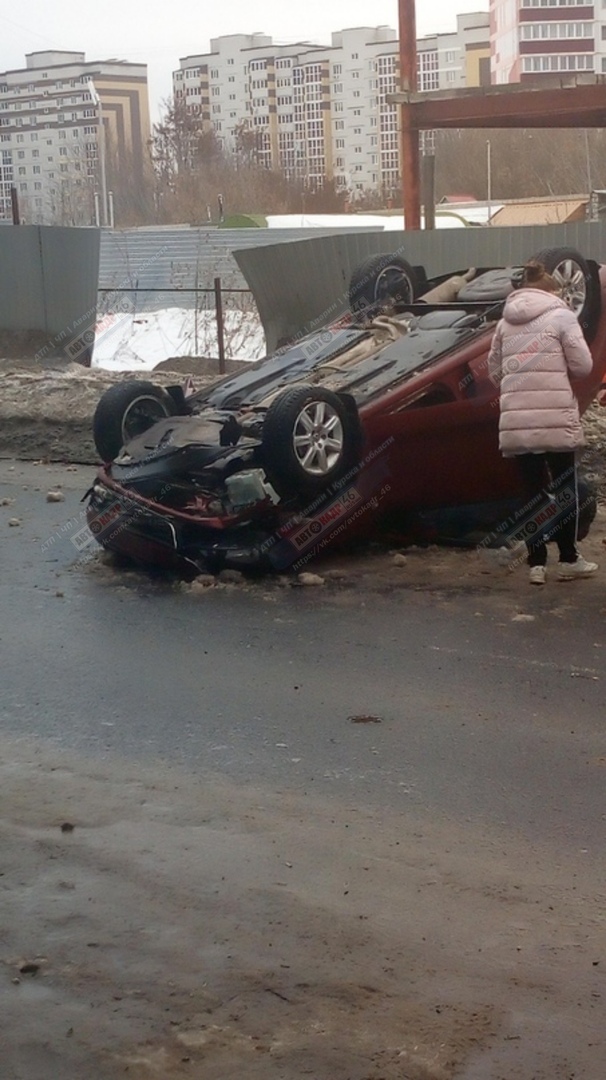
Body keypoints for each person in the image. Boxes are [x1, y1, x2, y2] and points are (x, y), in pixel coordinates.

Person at [488, 260, 597, 585]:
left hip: (517, 421)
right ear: (552, 290)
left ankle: (536, 564)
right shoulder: (562, 316)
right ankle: (568, 559)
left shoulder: (504, 323)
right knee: (564, 487)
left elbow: (495, 372)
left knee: (532, 492)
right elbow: (583, 366)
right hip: (554, 417)